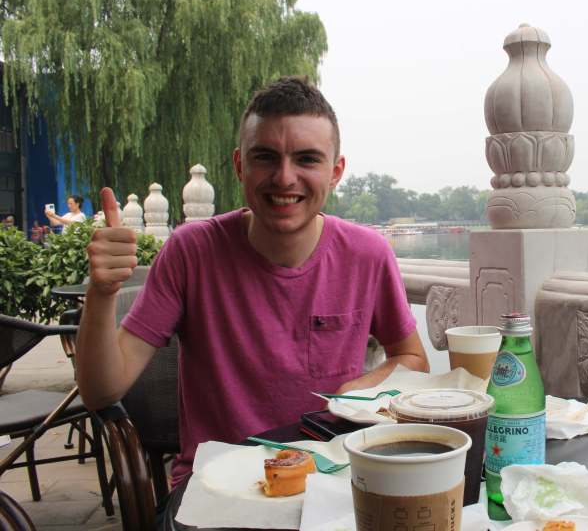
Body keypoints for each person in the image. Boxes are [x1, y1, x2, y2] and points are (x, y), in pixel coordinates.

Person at [76, 76, 429, 488]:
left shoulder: (367, 255)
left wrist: (356, 390)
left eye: (307, 159)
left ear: (335, 172)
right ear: (240, 164)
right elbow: (102, 392)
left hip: (331, 479)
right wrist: (101, 293)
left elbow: (412, 358)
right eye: (265, 157)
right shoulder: (191, 252)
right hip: (216, 486)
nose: (284, 178)